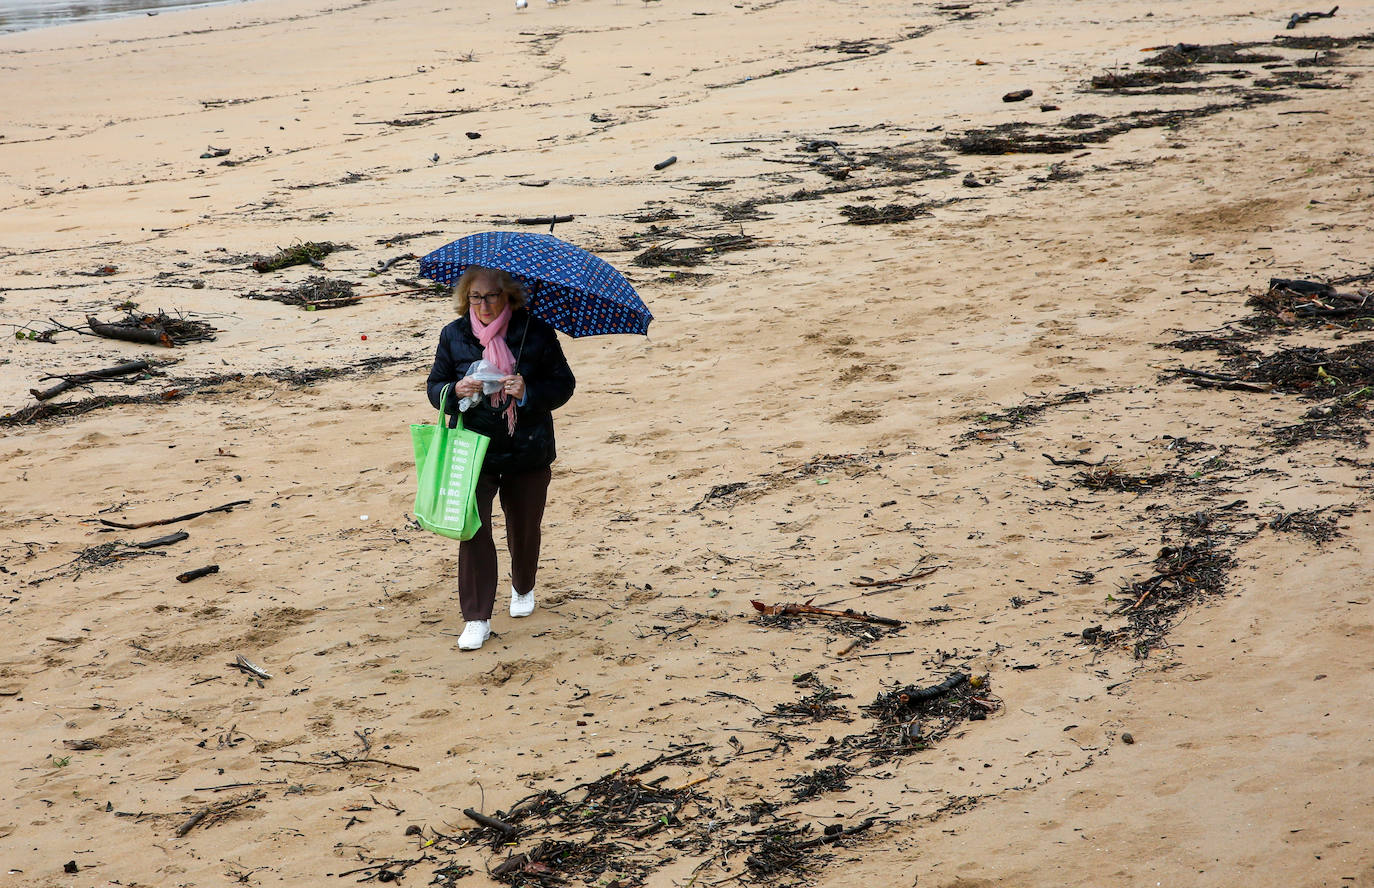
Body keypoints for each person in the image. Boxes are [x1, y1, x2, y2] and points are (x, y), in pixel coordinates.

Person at [426, 266, 576, 651]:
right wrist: (454, 389)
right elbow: (435, 386)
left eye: (492, 296)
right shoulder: (454, 335)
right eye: (476, 297)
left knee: (524, 527)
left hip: (528, 448)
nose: (484, 304)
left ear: (509, 296)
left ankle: (523, 585)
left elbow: (563, 385)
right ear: (466, 299)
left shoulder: (536, 332)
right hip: (473, 448)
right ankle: (477, 617)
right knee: (472, 528)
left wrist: (527, 391)